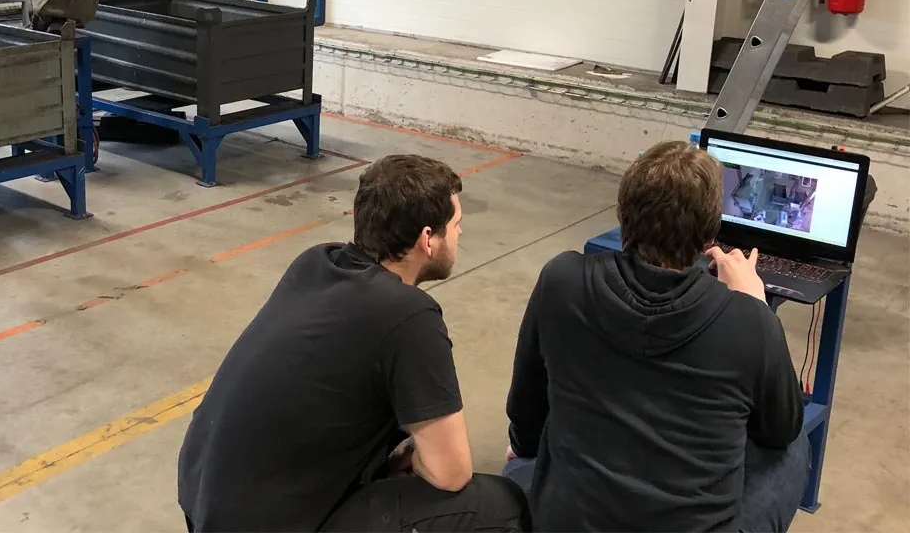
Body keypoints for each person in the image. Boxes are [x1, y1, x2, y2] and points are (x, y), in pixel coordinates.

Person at [177, 154, 529, 532]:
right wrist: (417, 458)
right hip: (262, 524)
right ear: (427, 239)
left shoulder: (317, 262)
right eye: (456, 225)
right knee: (500, 505)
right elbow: (451, 473)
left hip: (204, 497)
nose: (460, 234)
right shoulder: (408, 315)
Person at [503, 140, 809, 532]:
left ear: (623, 217)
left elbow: (526, 405)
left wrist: (525, 449)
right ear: (710, 238)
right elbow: (780, 429)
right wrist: (755, 305)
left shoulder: (562, 280)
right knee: (795, 445)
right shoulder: (749, 322)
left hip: (567, 523)